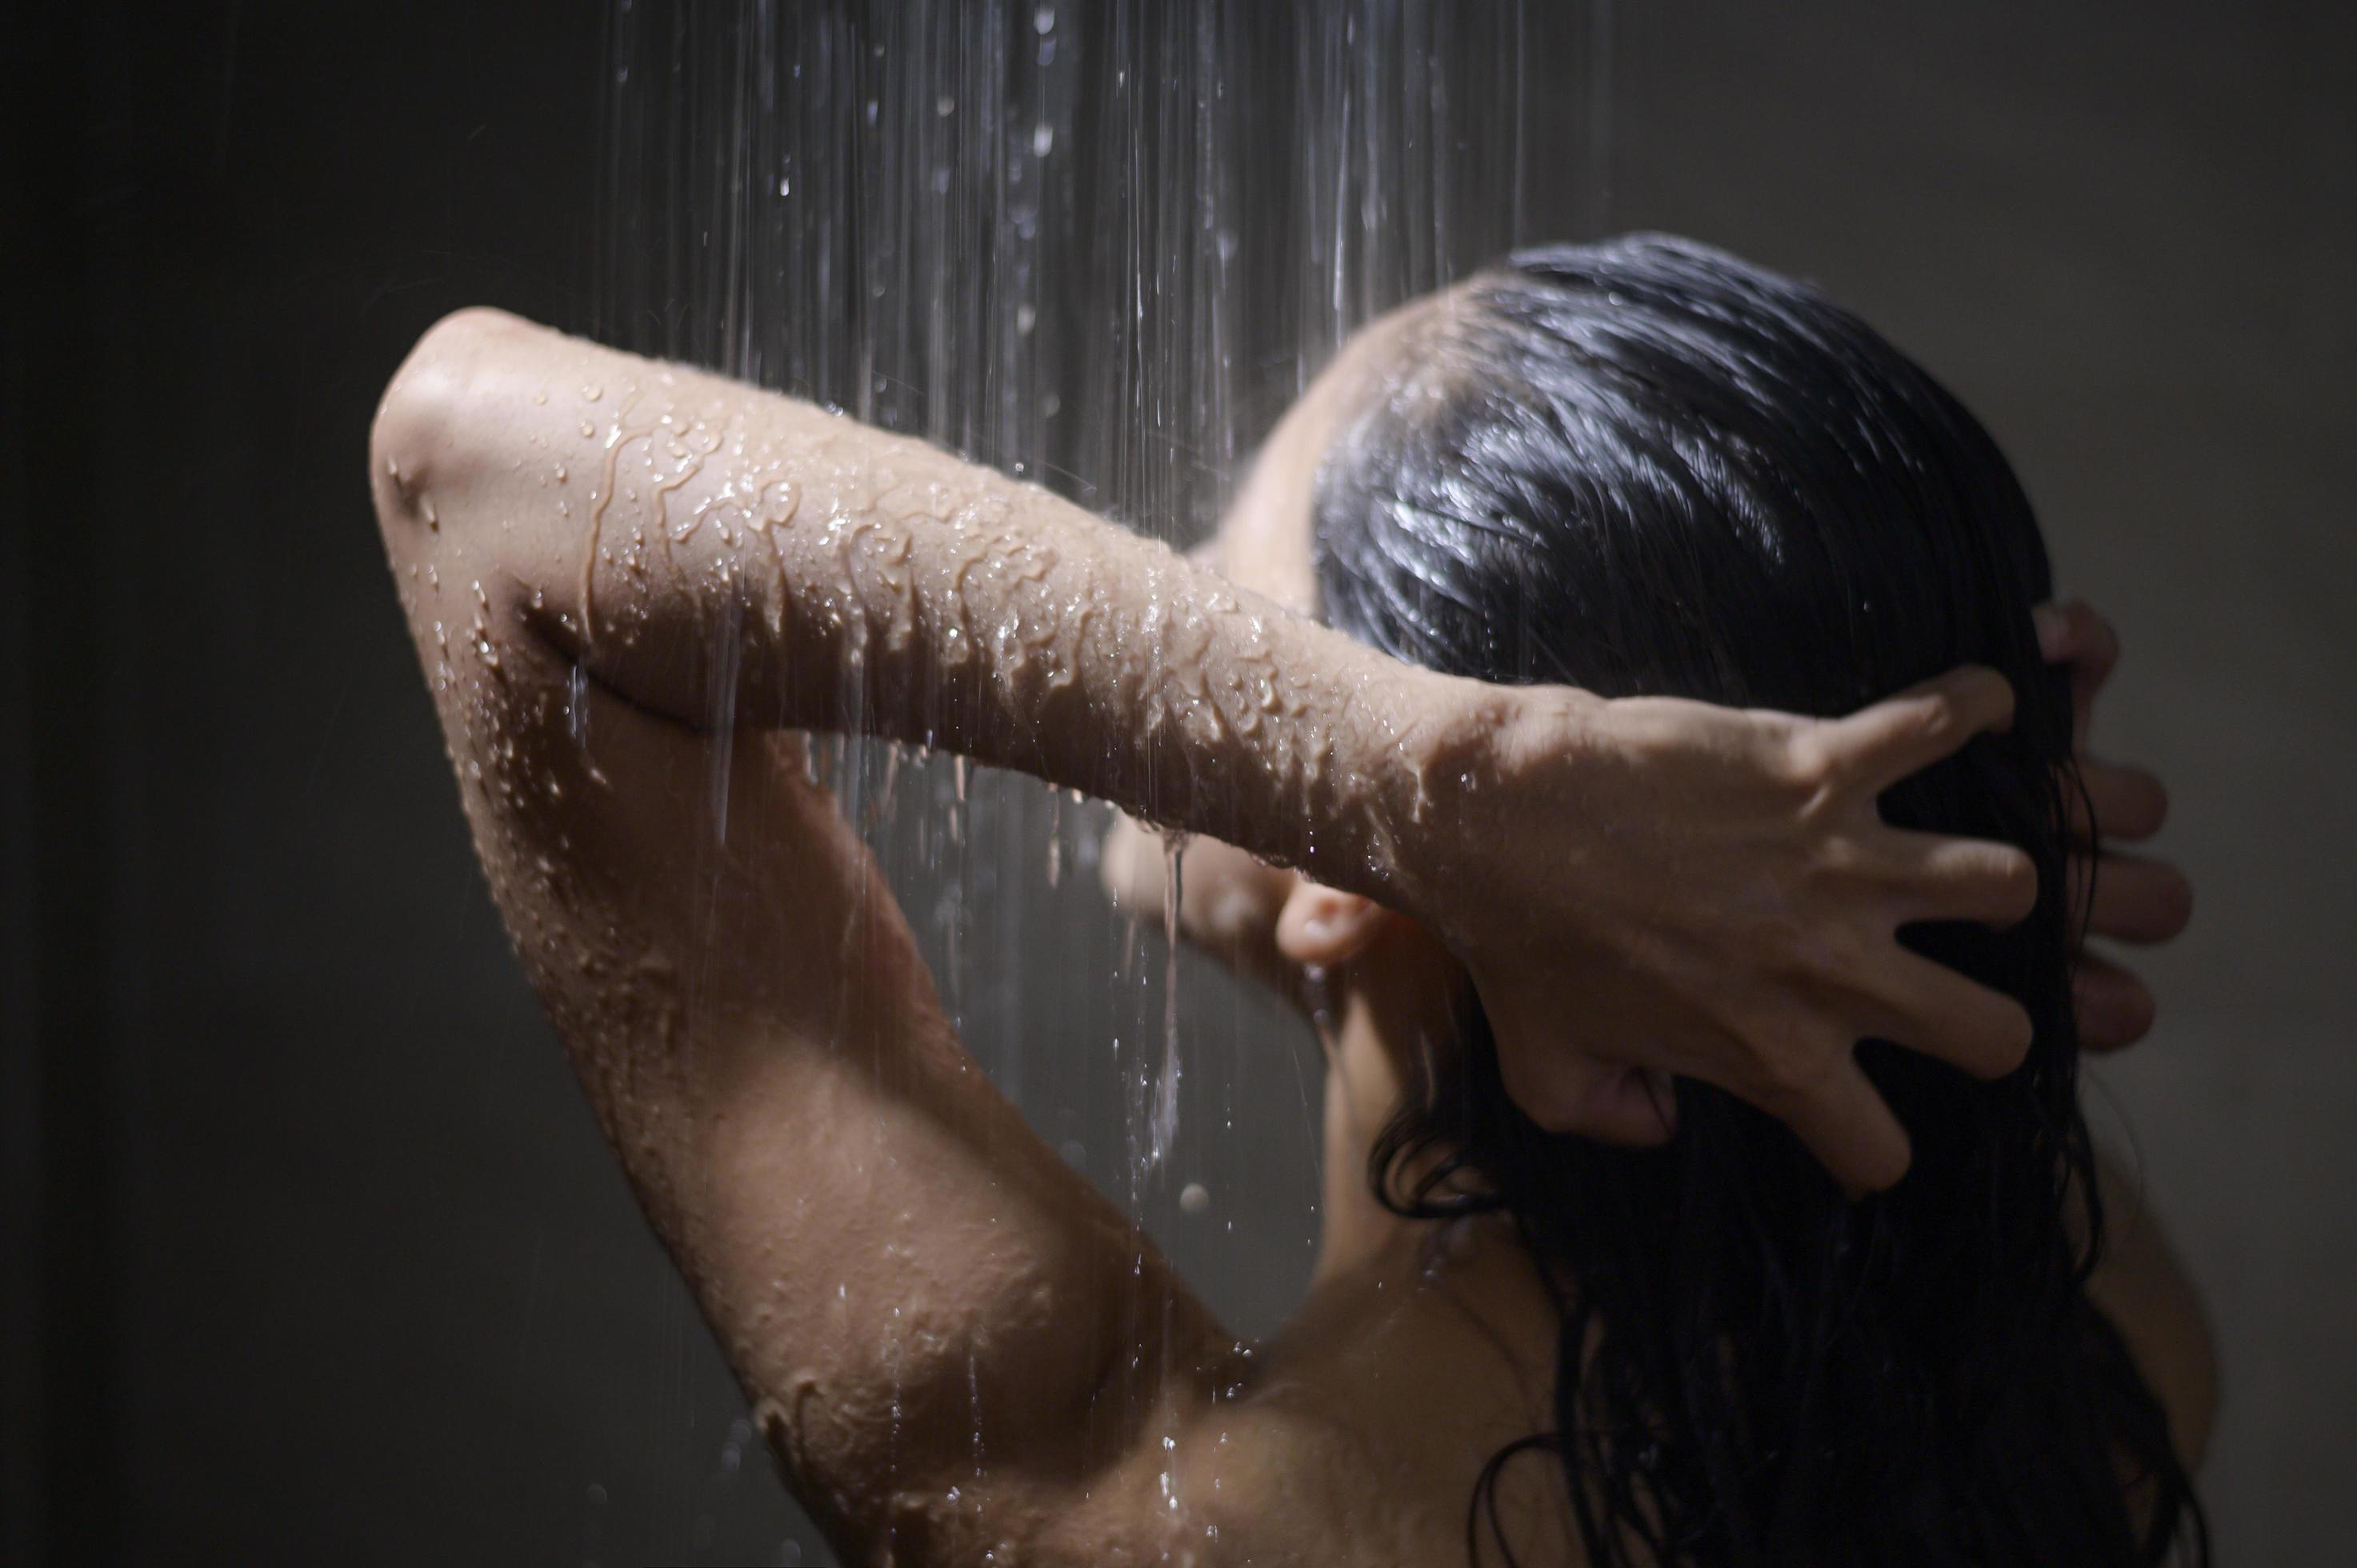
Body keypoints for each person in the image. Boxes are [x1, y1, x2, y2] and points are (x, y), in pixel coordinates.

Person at [368, 234, 2207, 1564]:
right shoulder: (2094, 1365)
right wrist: (1958, 816)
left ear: (1353, 869)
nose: (1171, 589)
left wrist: (1426, 787)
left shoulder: (1170, 1516)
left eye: (1243, 611)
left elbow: (476, 467)